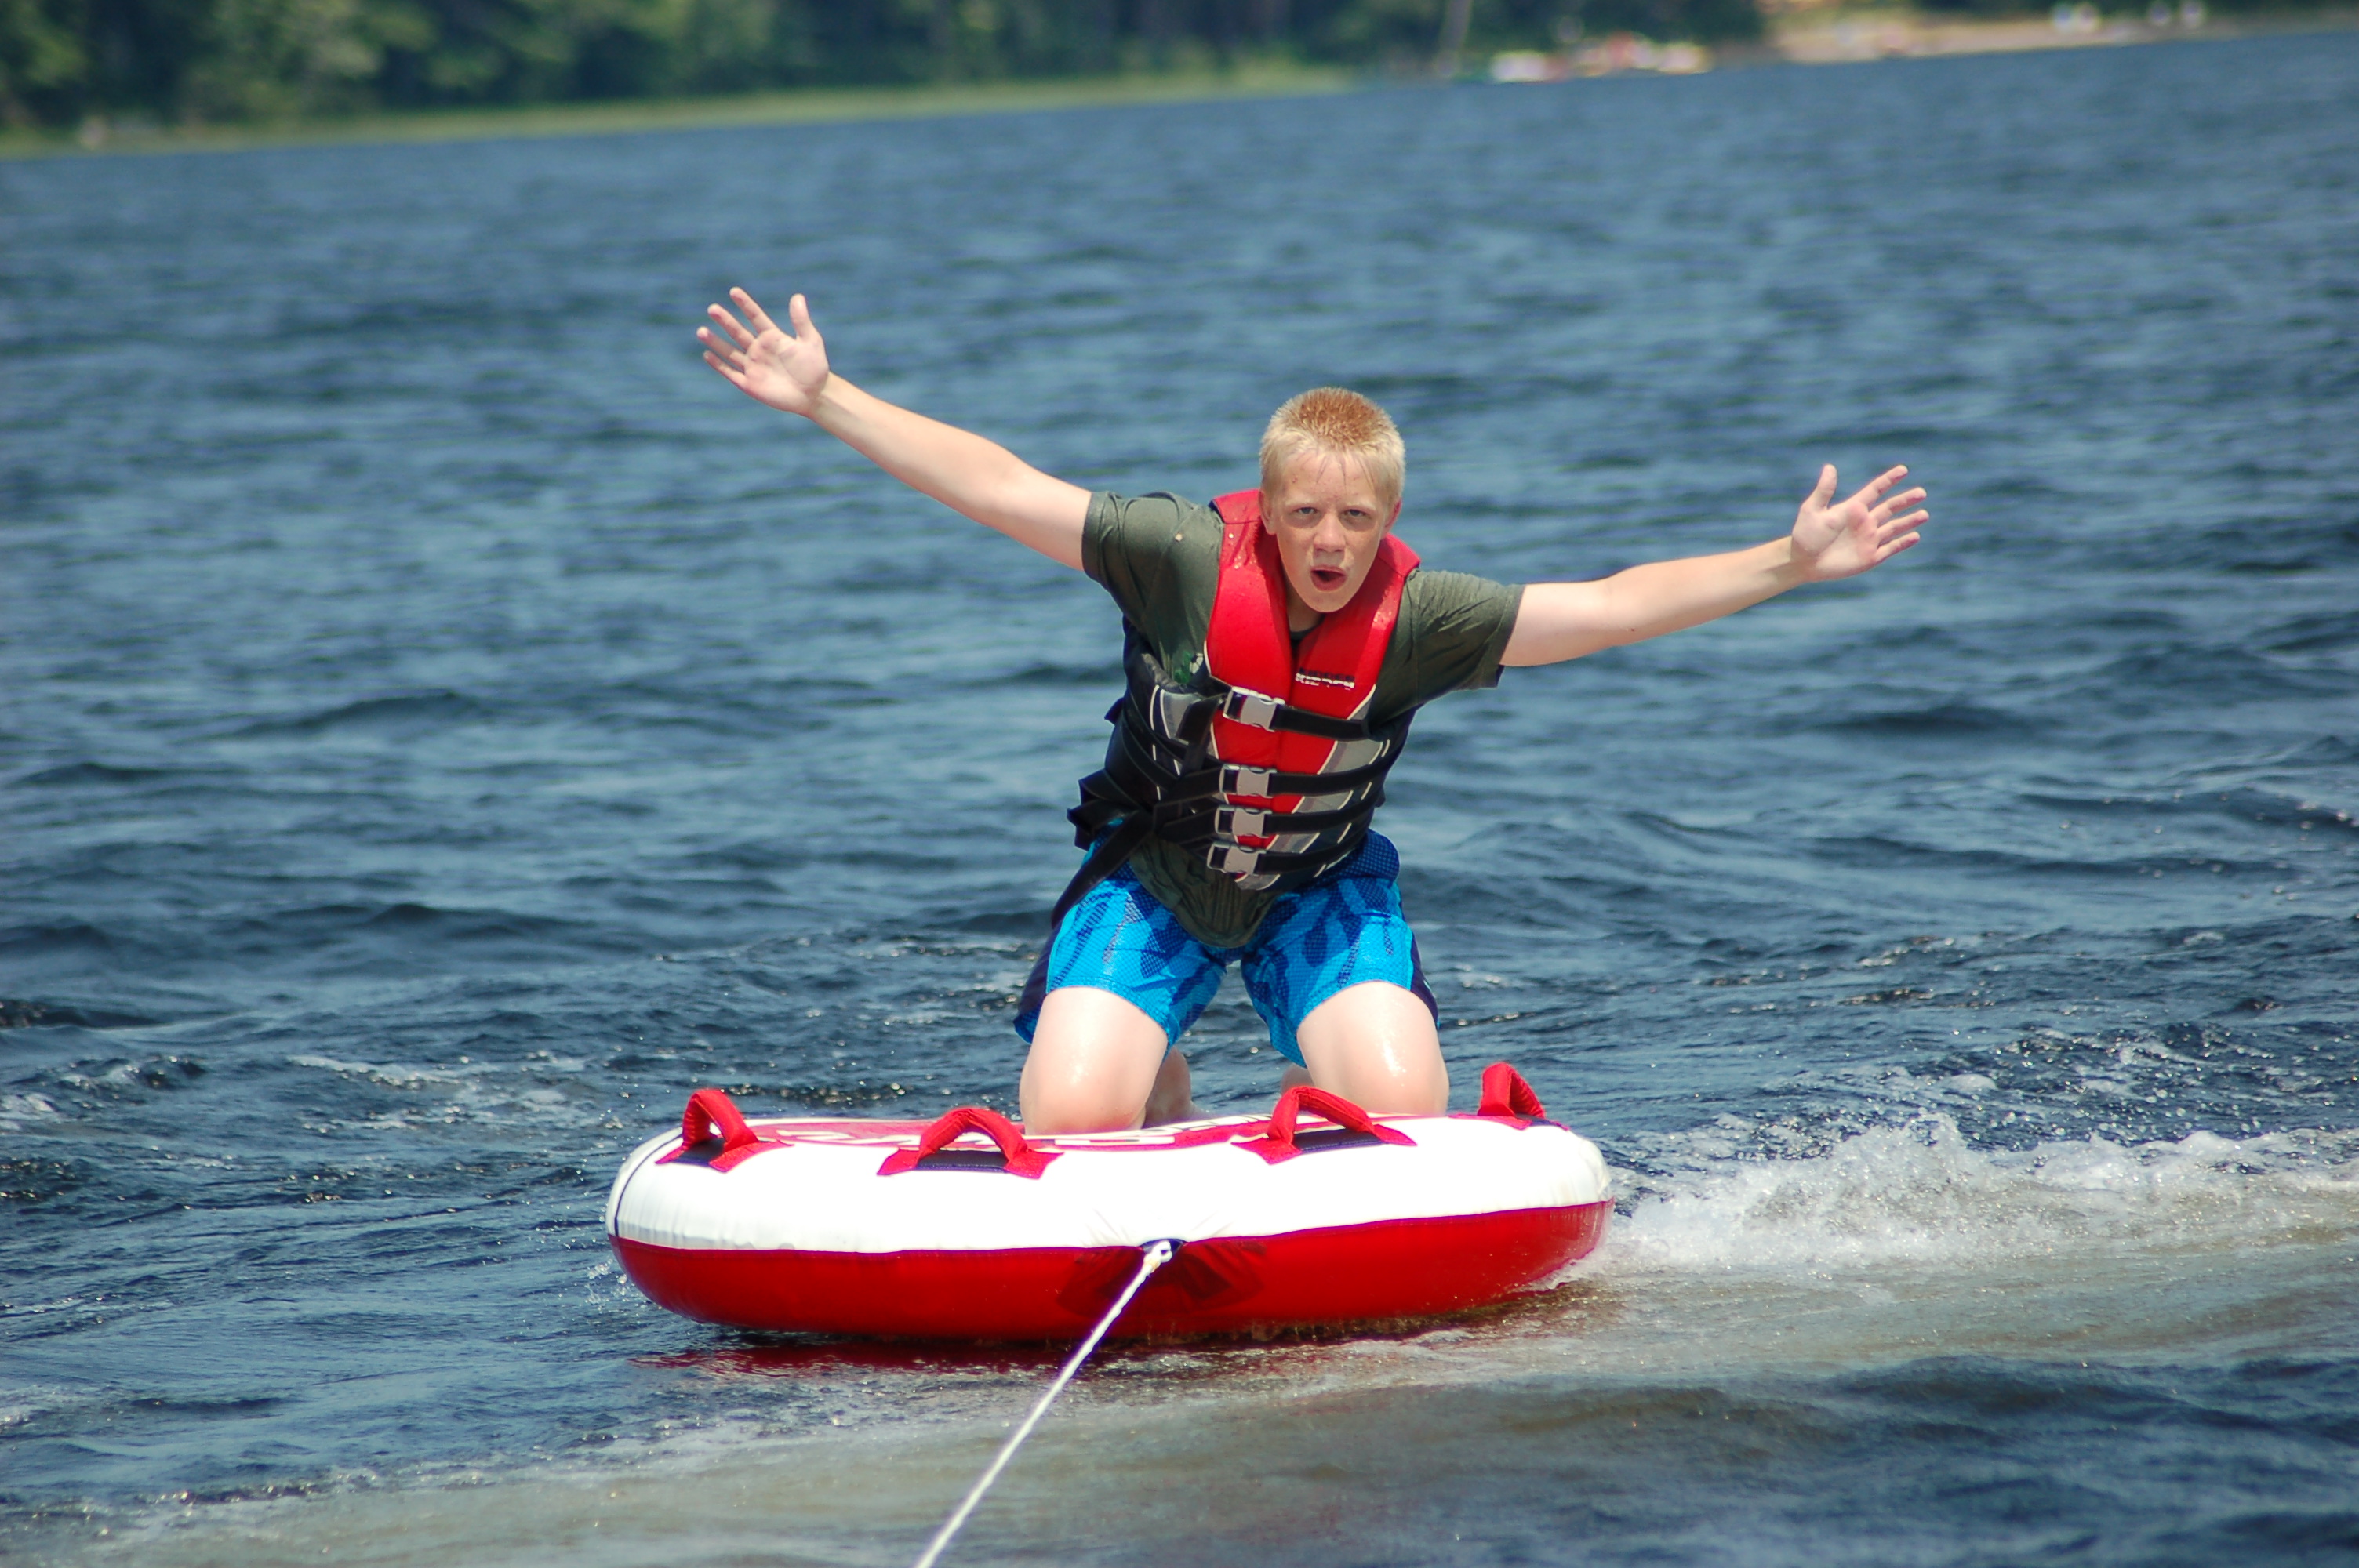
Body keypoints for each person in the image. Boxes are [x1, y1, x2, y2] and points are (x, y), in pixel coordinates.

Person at [697, 288, 1928, 1135]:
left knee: (1401, 1105)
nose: (1330, 542)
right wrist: (826, 396)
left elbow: (1605, 607)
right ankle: (1157, 1065)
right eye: (1305, 516)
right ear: (1268, 509)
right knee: (1073, 1114)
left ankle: (1284, 1056)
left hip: (1319, 888)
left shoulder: (1422, 617)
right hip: (1160, 878)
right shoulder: (1176, 557)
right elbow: (1002, 486)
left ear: (1389, 519)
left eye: (1356, 519)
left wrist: (1788, 562)